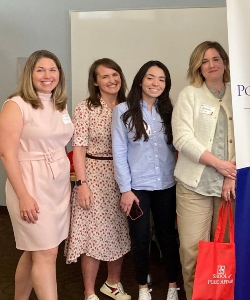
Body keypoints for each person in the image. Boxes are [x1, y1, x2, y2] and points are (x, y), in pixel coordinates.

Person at [0, 50, 74, 300]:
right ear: (29, 73)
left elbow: (60, 142)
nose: (47, 75)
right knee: (47, 252)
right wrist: (23, 196)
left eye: (53, 70)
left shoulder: (59, 103)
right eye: (40, 70)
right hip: (30, 183)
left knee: (35, 251)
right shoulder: (16, 105)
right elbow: (7, 154)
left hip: (57, 184)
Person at [172, 40, 236, 300]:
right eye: (205, 60)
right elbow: (182, 138)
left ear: (225, 63)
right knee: (193, 254)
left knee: (225, 255)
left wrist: (232, 174)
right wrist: (220, 165)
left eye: (216, 59)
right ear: (197, 66)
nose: (211, 65)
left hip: (230, 188)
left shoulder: (240, 93)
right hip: (193, 187)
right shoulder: (190, 94)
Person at [112, 61, 180, 300]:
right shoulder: (123, 111)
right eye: (151, 78)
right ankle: (143, 287)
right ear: (140, 80)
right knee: (140, 239)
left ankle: (173, 285)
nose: (156, 83)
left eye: (161, 79)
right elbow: (119, 151)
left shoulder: (169, 110)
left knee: (167, 236)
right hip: (136, 188)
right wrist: (125, 189)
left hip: (166, 184)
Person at [65, 58, 131, 300]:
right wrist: (81, 184)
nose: (111, 80)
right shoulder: (86, 108)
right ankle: (89, 292)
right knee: (92, 234)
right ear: (95, 81)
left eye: (115, 74)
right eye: (104, 76)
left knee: (118, 231)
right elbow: (79, 148)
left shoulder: (129, 106)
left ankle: (113, 284)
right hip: (93, 175)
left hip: (122, 177)